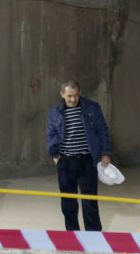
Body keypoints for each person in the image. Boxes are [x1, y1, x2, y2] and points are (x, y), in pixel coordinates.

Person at [46, 80, 112, 231]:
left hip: (87, 160)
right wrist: (55, 155)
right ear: (62, 94)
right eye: (69, 96)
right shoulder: (54, 112)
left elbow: (103, 131)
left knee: (90, 200)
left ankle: (94, 236)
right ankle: (72, 235)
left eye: (75, 95)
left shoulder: (92, 108)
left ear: (79, 92)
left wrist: (105, 153)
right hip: (66, 161)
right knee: (68, 202)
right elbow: (50, 134)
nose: (73, 99)